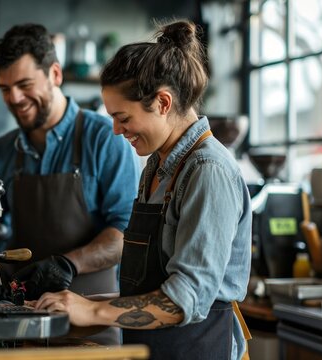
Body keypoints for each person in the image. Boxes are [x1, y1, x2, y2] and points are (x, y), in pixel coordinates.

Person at [34, 19, 252, 360]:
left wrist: (92, 312)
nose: (117, 131)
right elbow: (151, 291)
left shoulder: (208, 171)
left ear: (163, 102)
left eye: (123, 118)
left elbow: (183, 299)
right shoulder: (156, 165)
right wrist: (73, 306)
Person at [0, 24, 140, 342]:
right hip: (21, 322)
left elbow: (126, 232)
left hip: (91, 325)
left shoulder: (106, 138)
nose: (14, 98)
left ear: (55, 74)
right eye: (4, 88)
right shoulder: (0, 151)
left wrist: (68, 264)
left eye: (24, 84)